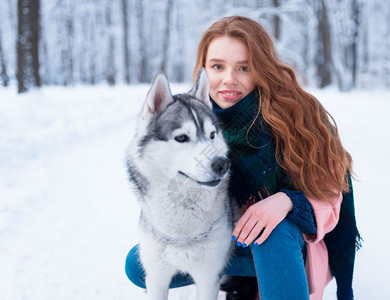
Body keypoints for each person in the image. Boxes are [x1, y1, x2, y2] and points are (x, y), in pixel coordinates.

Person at [125, 16, 361, 300]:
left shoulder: (299, 115)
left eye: (244, 68)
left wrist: (287, 201)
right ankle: (236, 281)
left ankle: (272, 283)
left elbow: (331, 194)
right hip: (224, 237)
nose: (229, 79)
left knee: (271, 231)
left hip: (285, 245)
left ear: (261, 69)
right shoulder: (191, 118)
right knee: (138, 265)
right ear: (204, 70)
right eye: (217, 67)